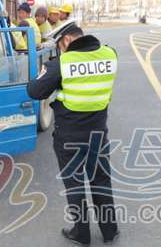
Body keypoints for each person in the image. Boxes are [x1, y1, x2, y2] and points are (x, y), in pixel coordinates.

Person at [27, 22, 119, 245]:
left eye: (59, 44)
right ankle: (109, 231)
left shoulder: (61, 63)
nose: (60, 49)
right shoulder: (110, 55)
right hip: (98, 133)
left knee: (75, 183)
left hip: (69, 137)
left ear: (67, 40)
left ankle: (81, 233)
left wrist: (48, 73)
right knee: (101, 180)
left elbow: (35, 91)